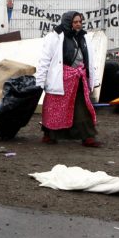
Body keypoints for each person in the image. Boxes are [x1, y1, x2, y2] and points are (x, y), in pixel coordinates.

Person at [35, 11, 101, 147]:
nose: (78, 24)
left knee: (82, 106)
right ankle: (49, 135)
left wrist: (92, 78)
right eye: (75, 22)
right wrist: (40, 81)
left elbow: (89, 59)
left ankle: (88, 137)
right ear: (68, 22)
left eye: (80, 22)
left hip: (78, 78)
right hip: (60, 79)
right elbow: (45, 60)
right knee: (54, 108)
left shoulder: (84, 37)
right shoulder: (55, 37)